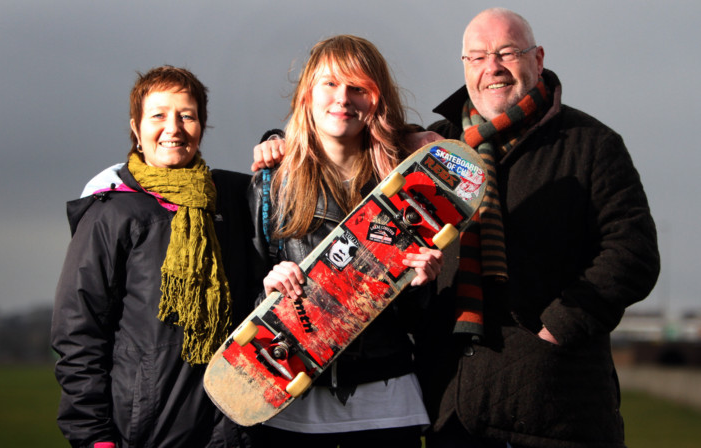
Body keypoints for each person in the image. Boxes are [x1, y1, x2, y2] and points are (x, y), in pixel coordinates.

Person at [412, 8, 661, 448]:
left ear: (538, 59)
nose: (493, 67)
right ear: (465, 67)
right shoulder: (437, 147)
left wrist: (559, 325)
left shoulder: (592, 145)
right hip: (453, 410)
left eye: (507, 52)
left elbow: (632, 252)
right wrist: (278, 142)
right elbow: (351, 175)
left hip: (556, 408)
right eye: (477, 57)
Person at [247, 35, 443, 447]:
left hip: (387, 401)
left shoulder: (408, 188)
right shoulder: (271, 184)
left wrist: (423, 285)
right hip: (293, 403)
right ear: (306, 97)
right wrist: (268, 291)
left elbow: (413, 321)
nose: (343, 98)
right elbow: (245, 291)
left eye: (358, 88)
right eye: (331, 84)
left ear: (378, 100)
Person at [51, 66, 258, 448]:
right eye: (159, 115)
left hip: (234, 428)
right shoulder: (111, 213)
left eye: (187, 115)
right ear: (136, 127)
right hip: (147, 430)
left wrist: (275, 142)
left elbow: (305, 183)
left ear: (202, 125)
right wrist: (93, 436)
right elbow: (78, 331)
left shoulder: (234, 197)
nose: (174, 127)